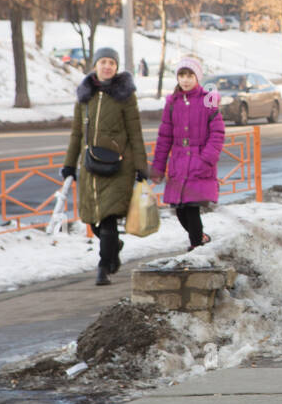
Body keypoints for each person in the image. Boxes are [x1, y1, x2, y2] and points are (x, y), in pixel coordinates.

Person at [62, 47, 149, 285]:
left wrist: (141, 167)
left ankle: (103, 266)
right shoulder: (85, 95)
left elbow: (135, 133)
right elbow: (76, 133)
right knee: (92, 218)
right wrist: (69, 165)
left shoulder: (125, 95)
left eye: (112, 62)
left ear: (116, 67)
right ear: (96, 65)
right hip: (90, 165)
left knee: (108, 217)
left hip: (119, 166)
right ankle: (113, 247)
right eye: (103, 62)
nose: (107, 66)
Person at [150, 56, 225, 251]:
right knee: (180, 211)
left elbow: (217, 133)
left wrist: (206, 159)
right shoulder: (172, 103)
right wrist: (158, 168)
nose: (185, 80)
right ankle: (200, 237)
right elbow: (164, 137)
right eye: (182, 75)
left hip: (200, 163)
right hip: (179, 164)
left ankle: (196, 246)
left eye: (190, 75)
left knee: (192, 208)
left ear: (197, 77)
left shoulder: (207, 101)